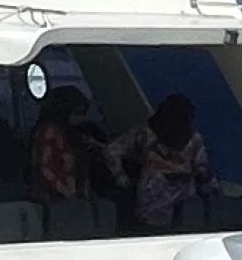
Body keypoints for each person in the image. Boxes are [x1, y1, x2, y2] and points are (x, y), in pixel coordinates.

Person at [103, 94, 218, 231]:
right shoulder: (143, 134)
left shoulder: (193, 139)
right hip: (155, 198)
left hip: (182, 202)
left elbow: (202, 170)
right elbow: (111, 150)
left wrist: (210, 188)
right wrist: (120, 175)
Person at [30, 85, 91, 203]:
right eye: (77, 113)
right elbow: (44, 167)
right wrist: (66, 193)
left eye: (84, 113)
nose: (82, 118)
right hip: (51, 200)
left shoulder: (74, 134)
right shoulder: (48, 133)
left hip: (73, 197)